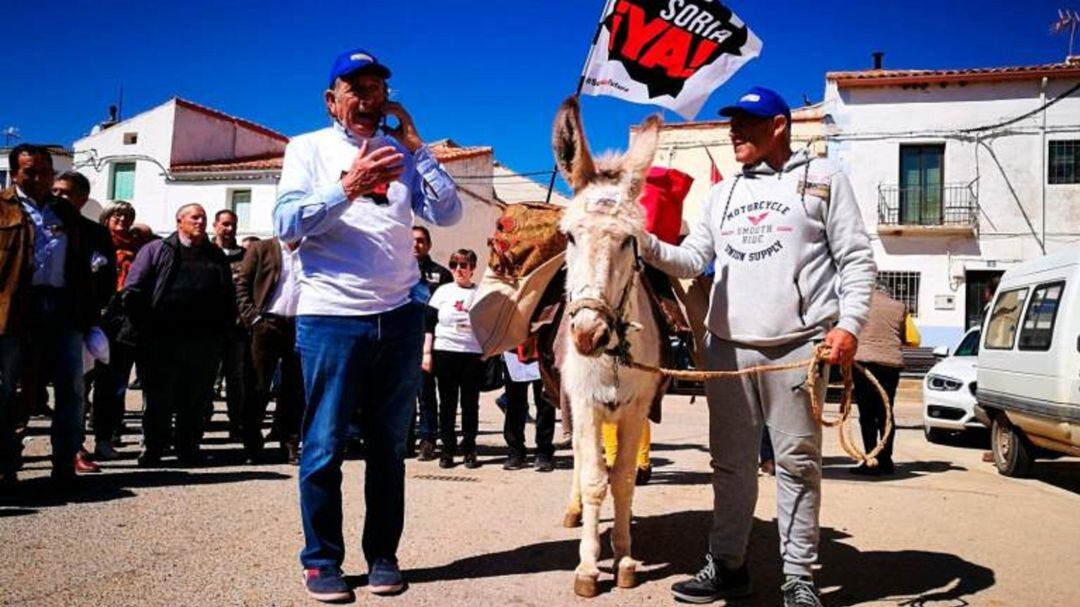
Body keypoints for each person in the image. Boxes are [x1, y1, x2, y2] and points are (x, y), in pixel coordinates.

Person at [643, 87, 876, 607]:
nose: (734, 132)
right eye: (732, 123)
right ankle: (727, 566)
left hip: (797, 347)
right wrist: (642, 241)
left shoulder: (822, 179)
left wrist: (850, 324)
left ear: (777, 126)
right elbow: (691, 259)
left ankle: (798, 576)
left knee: (796, 464)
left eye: (746, 123)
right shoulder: (722, 194)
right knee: (730, 466)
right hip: (726, 348)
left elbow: (857, 259)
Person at [274, 48, 461, 602]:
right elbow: (286, 223)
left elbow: (447, 213)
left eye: (376, 88)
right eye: (354, 88)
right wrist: (348, 185)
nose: (366, 98)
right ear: (332, 100)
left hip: (400, 316)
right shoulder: (306, 149)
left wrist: (416, 147)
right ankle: (321, 560)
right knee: (325, 445)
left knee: (388, 448)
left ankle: (383, 555)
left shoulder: (401, 152)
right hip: (331, 315)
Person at [0, 145, 109, 485]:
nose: (39, 178)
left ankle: (65, 461)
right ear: (14, 173)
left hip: (63, 308)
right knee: (7, 389)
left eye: (45, 172)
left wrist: (91, 318)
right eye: (30, 172)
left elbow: (81, 268)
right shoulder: (1, 209)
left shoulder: (67, 213)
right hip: (13, 309)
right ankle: (5, 464)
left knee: (71, 388)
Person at [123, 203, 236, 467]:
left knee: (195, 399)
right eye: (194, 217)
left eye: (203, 218)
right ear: (179, 221)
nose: (200, 222)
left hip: (203, 342)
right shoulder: (156, 250)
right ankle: (154, 449)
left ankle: (188, 449)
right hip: (162, 339)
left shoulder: (215, 255)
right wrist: (145, 326)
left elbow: (227, 296)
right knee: (159, 399)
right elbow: (133, 290)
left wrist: (223, 333)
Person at [51, 171, 118, 467]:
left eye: (64, 192)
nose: (57, 197)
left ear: (82, 198)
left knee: (75, 389)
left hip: (75, 320)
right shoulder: (39, 226)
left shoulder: (95, 233)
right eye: (54, 191)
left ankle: (73, 450)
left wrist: (94, 315)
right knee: (21, 388)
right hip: (33, 318)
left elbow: (106, 280)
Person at [234, 236, 304, 465]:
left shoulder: (312, 249)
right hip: (266, 324)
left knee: (294, 388)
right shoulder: (261, 248)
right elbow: (242, 284)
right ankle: (252, 445)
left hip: (299, 324)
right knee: (258, 386)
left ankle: (289, 442)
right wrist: (253, 318)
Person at [92, 201, 150, 460]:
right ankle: (96, 434)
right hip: (102, 315)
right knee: (96, 381)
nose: (123, 220)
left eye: (127, 216)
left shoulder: (139, 246)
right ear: (106, 217)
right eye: (117, 214)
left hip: (131, 316)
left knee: (118, 380)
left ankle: (111, 432)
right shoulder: (97, 242)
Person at [426, 249, 484, 470]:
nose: (459, 269)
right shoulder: (442, 291)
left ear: (472, 269)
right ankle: (447, 449)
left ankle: (469, 447)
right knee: (447, 403)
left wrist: (487, 351)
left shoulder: (480, 293)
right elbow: (429, 323)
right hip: (445, 350)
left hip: (471, 353)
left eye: (464, 265)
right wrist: (426, 353)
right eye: (454, 264)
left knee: (470, 403)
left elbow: (489, 324)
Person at [851, 287, 908, 476]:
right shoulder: (899, 307)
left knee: (867, 414)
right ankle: (886, 460)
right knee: (887, 413)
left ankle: (871, 459)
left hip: (864, 364)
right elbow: (903, 337)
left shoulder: (860, 305)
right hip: (891, 364)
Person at [411, 225, 451, 461]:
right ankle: (405, 439)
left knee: (427, 393)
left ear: (429, 244)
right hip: (402, 339)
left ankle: (428, 439)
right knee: (403, 394)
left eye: (421, 241)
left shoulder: (441, 274)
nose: (416, 244)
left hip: (433, 341)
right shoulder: (396, 270)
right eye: (413, 240)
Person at [212, 209, 249, 439]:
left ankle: (237, 424)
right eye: (225, 224)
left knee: (237, 379)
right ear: (216, 225)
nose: (230, 229)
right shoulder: (204, 253)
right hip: (209, 327)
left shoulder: (245, 256)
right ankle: (200, 423)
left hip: (237, 328)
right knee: (206, 380)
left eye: (233, 225)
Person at [501, 339, 555, 472]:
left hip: (543, 346)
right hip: (513, 347)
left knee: (545, 402)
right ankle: (515, 450)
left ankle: (544, 452)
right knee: (514, 403)